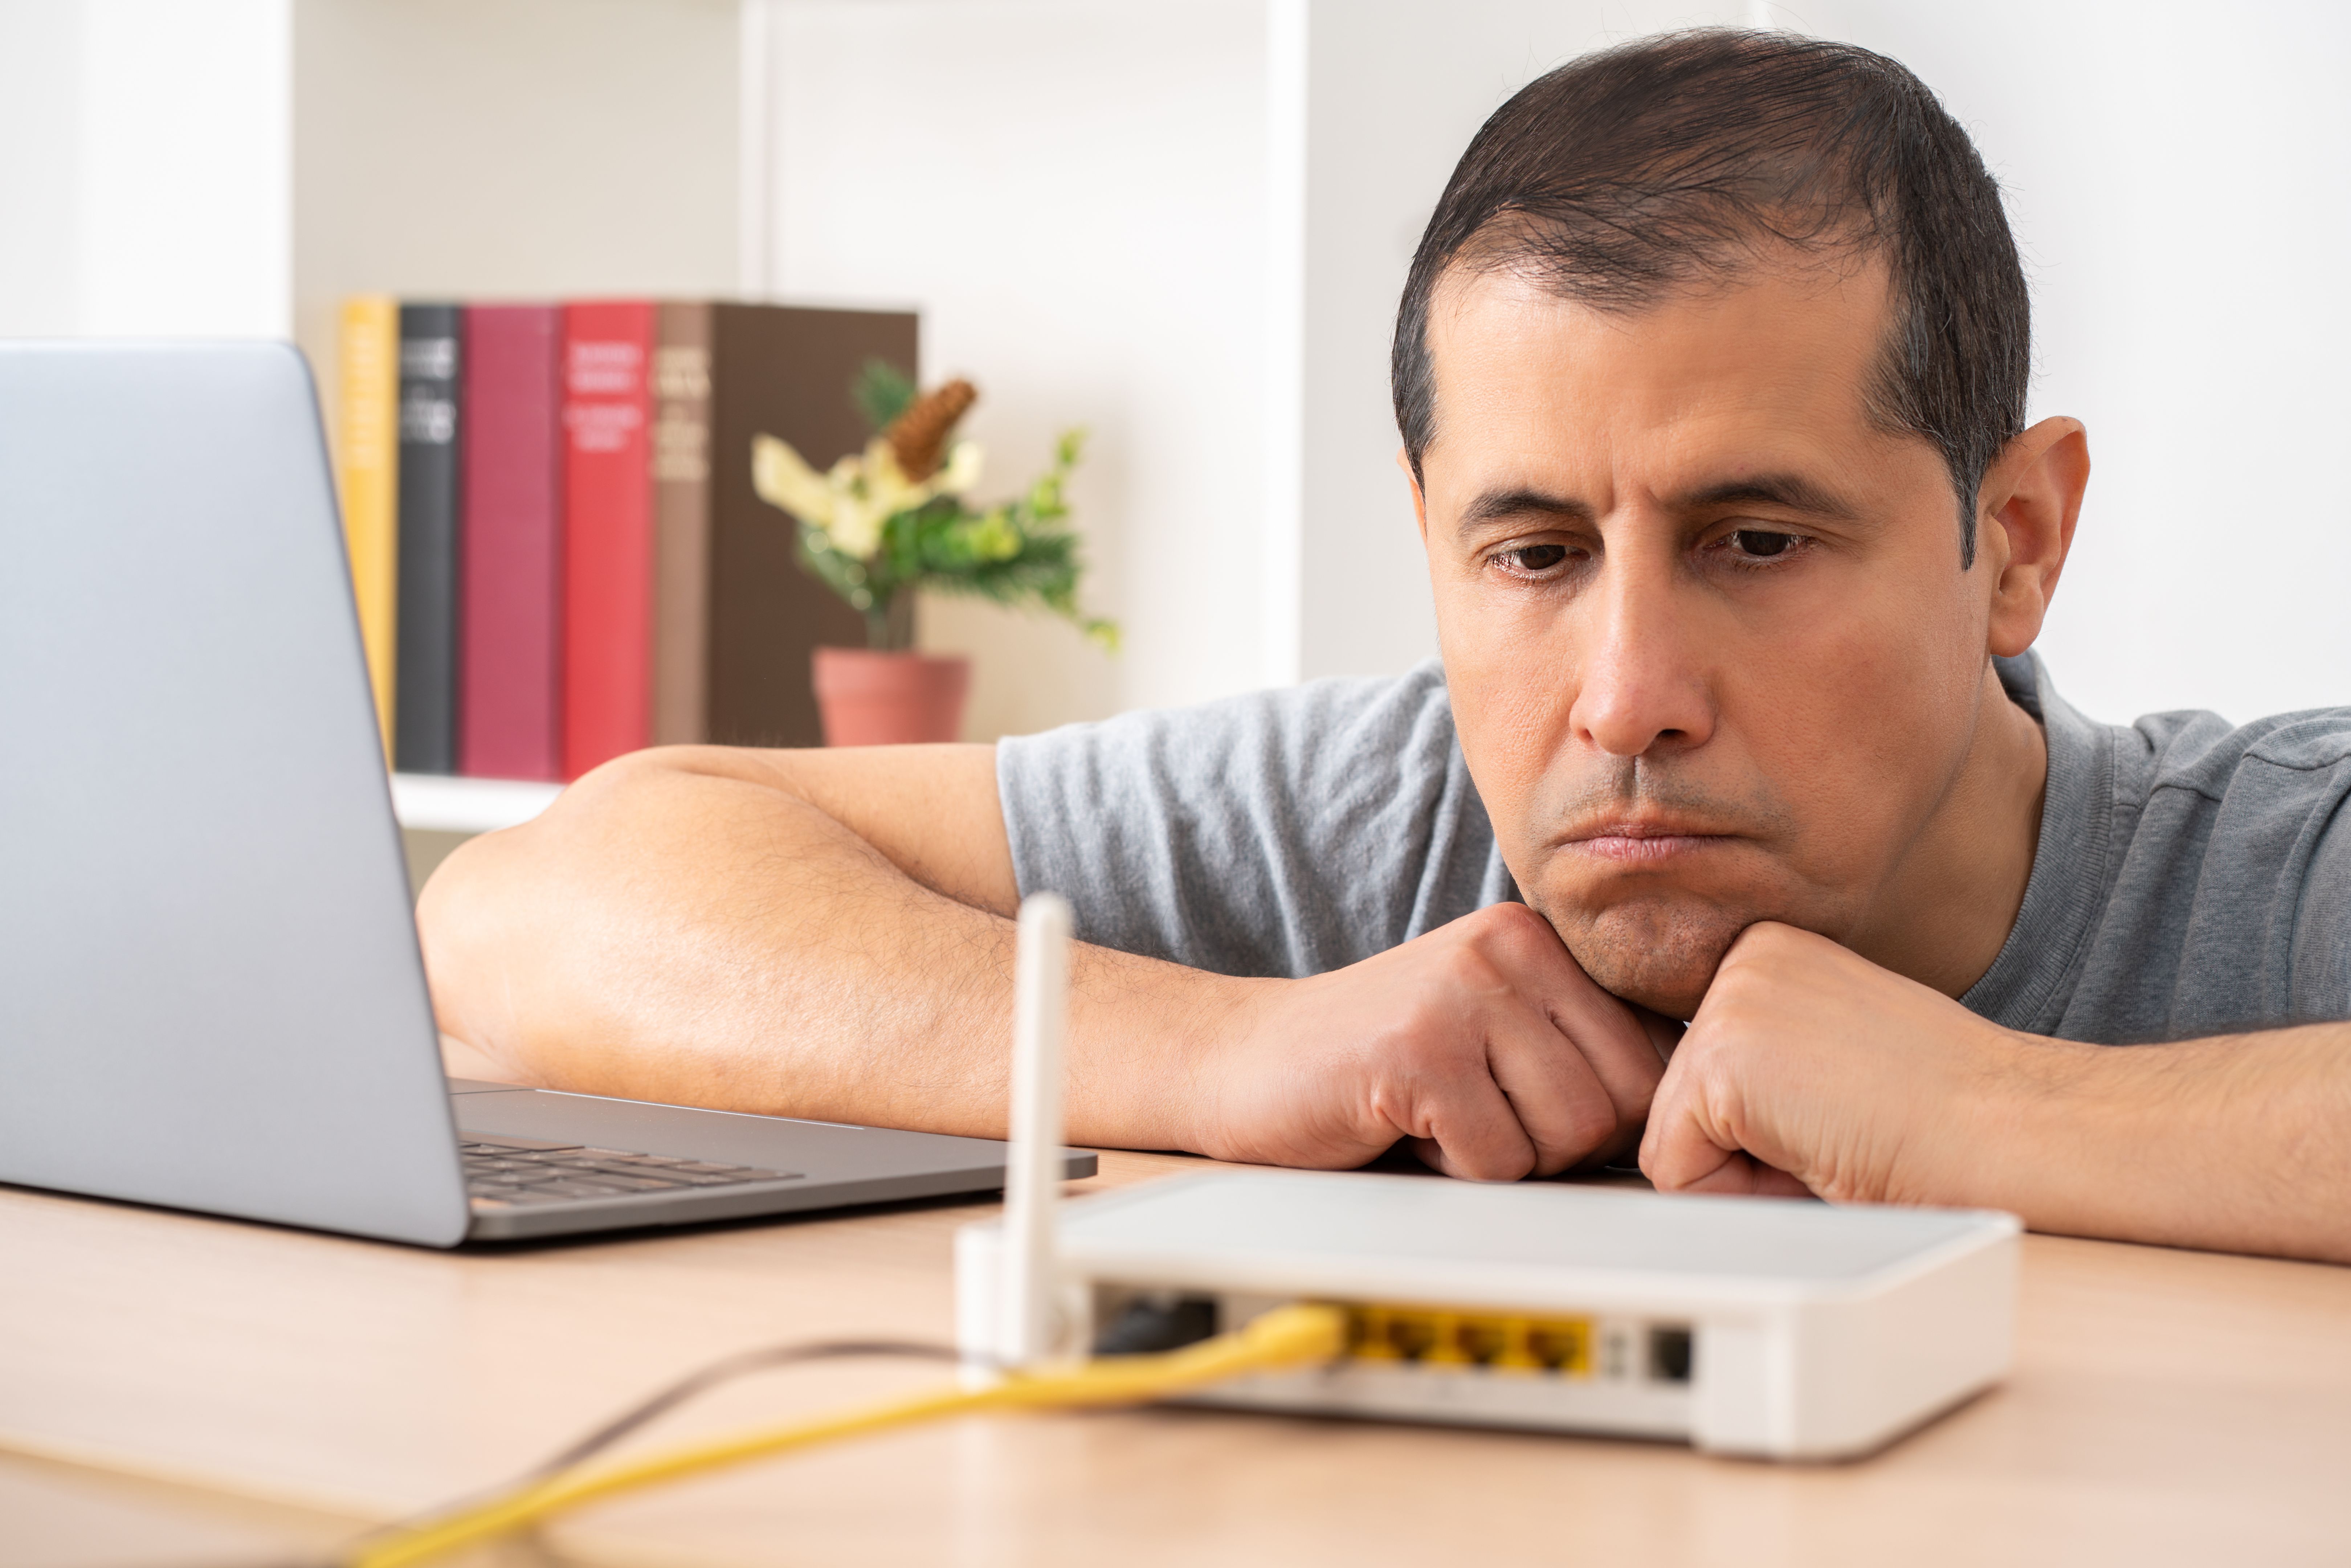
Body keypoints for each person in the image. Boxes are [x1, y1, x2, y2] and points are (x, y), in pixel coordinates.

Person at [419, 29, 2351, 1264]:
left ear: (2014, 543)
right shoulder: (1369, 820)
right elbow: (527, 911)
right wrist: (1232, 1050)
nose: (1626, 698)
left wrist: (1985, 1112)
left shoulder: (2277, 865)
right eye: (1532, 554)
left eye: (1757, 542)